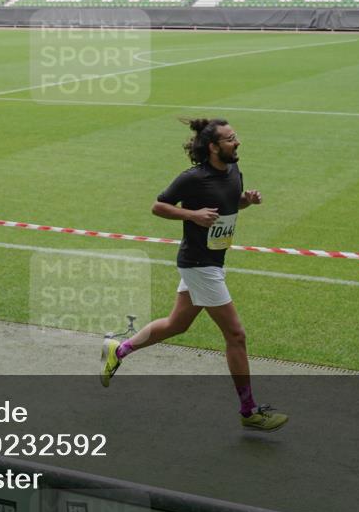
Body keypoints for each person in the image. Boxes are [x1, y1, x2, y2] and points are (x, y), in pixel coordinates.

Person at [100, 118, 288, 432]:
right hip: (200, 265)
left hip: (212, 262)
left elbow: (230, 204)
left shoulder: (233, 171)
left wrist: (246, 201)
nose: (237, 141)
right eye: (229, 139)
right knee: (236, 336)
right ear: (213, 147)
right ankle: (249, 411)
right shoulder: (193, 179)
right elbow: (158, 206)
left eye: (235, 136)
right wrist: (192, 215)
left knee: (177, 324)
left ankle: (118, 350)